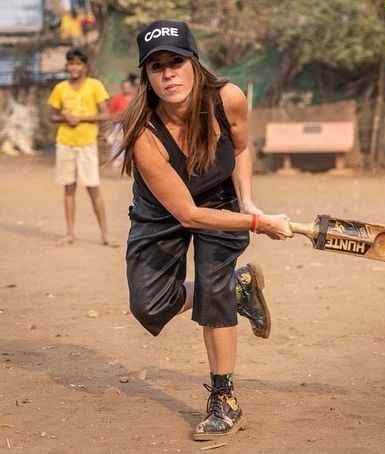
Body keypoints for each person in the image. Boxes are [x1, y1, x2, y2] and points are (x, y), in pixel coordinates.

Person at [116, 19, 293, 441]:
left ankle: (223, 396)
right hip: (163, 210)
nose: (168, 73)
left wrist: (247, 201)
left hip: (220, 200)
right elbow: (188, 214)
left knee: (213, 292)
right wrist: (258, 222)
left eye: (176, 61)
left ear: (194, 63)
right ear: (147, 75)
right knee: (149, 305)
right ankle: (240, 287)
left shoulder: (227, 99)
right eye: (157, 66)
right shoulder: (143, 132)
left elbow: (243, 148)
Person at [47, 46, 119, 247]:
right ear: (66, 66)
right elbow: (52, 115)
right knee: (68, 188)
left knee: (93, 188)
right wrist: (64, 117)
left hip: (86, 143)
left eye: (78, 63)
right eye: (71, 63)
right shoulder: (60, 88)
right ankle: (70, 233)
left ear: (85, 66)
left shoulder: (94, 86)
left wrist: (81, 118)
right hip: (65, 144)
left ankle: (105, 234)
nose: (74, 67)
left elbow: (105, 114)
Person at [107, 78, 135, 171]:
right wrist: (120, 117)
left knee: (132, 146)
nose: (126, 89)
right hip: (119, 126)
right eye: (124, 87)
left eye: (128, 87)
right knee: (117, 146)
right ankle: (117, 168)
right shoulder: (117, 98)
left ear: (131, 87)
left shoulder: (136, 98)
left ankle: (131, 168)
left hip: (133, 125)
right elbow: (111, 113)